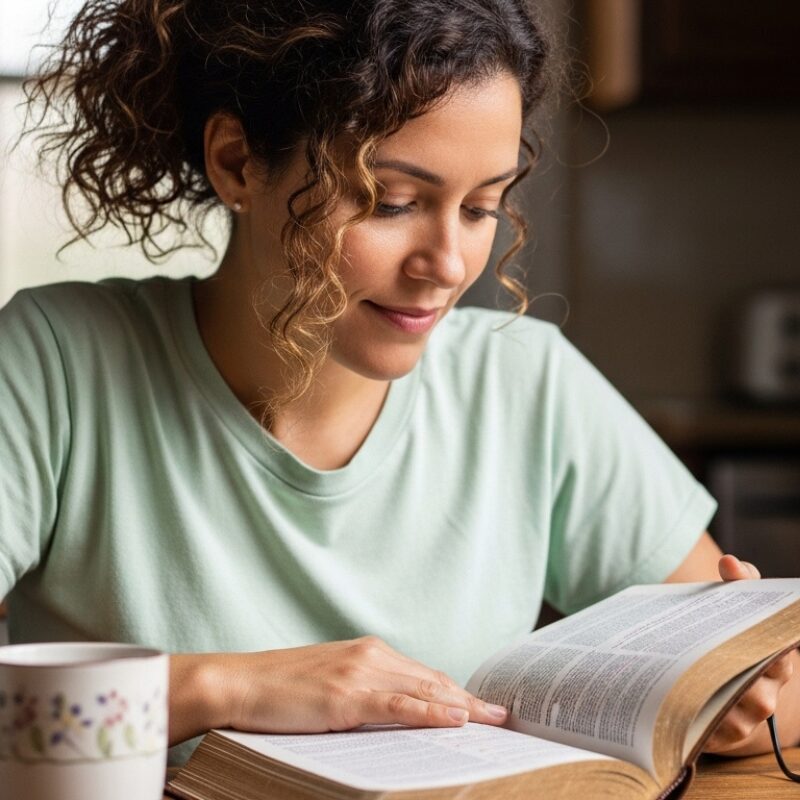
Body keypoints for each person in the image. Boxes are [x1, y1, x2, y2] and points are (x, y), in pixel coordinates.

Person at [1, 0, 798, 767]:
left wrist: (736, 701)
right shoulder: (55, 362)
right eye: (392, 202)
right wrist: (223, 686)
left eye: (483, 207)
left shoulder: (525, 382)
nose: (447, 266)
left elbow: (779, 695)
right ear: (236, 163)